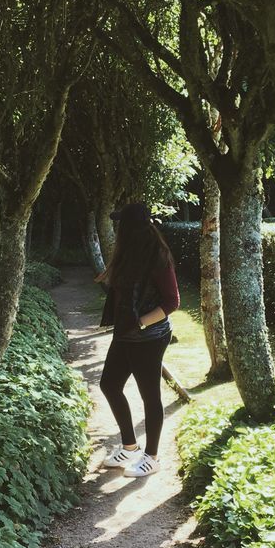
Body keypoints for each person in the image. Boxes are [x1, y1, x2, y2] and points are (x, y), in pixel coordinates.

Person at [96, 201, 180, 478]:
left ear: (130, 227)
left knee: (149, 395)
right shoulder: (128, 253)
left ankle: (152, 457)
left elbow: (172, 301)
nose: (117, 228)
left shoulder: (157, 255)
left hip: (150, 337)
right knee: (109, 383)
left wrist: (140, 322)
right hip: (126, 334)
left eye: (121, 224)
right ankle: (130, 446)